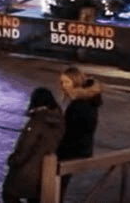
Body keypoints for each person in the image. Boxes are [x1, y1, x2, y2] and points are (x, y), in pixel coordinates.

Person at [1, 87, 65, 203]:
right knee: (34, 198)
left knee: (9, 194)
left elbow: (26, 145)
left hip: (27, 168)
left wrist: (13, 160)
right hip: (44, 169)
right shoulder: (58, 119)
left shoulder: (37, 121)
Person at [55, 67, 103, 195]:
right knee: (59, 186)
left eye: (67, 82)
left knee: (57, 187)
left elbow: (72, 131)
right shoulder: (88, 101)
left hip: (72, 151)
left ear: (76, 82)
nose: (63, 86)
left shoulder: (79, 105)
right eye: (61, 82)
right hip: (81, 149)